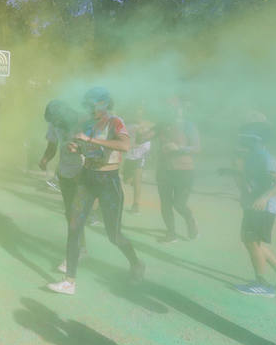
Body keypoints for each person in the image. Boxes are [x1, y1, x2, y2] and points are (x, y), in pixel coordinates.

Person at [47, 87, 145, 295]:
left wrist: (90, 140)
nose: (89, 109)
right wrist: (78, 148)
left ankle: (136, 263)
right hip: (86, 178)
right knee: (74, 226)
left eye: (93, 105)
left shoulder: (114, 122)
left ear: (103, 104)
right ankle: (69, 281)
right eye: (87, 105)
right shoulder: (88, 124)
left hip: (108, 182)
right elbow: (90, 150)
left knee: (114, 235)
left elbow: (125, 145)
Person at [225, 121, 276, 297]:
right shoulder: (251, 156)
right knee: (253, 242)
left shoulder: (264, 157)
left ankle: (262, 284)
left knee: (251, 242)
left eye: (243, 136)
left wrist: (264, 198)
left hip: (262, 208)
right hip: (253, 207)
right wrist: (236, 170)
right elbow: (246, 186)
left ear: (254, 139)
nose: (239, 139)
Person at [38, 100, 85, 273]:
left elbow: (94, 146)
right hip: (65, 172)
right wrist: (45, 159)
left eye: (56, 120)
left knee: (76, 214)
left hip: (82, 171)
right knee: (70, 214)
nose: (54, 124)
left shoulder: (81, 122)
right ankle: (81, 248)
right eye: (52, 121)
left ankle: (74, 254)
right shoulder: (53, 124)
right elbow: (52, 145)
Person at [154, 97, 200, 242]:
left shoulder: (188, 125)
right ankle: (171, 234)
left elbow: (197, 148)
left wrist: (179, 148)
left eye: (174, 108)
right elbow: (143, 138)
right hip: (163, 170)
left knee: (179, 204)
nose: (171, 111)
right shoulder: (161, 125)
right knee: (165, 203)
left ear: (180, 110)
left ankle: (191, 221)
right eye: (167, 108)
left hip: (184, 170)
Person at [123, 103, 153, 214]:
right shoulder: (127, 123)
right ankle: (132, 181)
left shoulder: (148, 124)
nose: (138, 112)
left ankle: (136, 205)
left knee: (137, 180)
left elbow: (149, 137)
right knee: (127, 180)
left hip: (140, 154)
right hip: (128, 154)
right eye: (136, 110)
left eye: (140, 110)